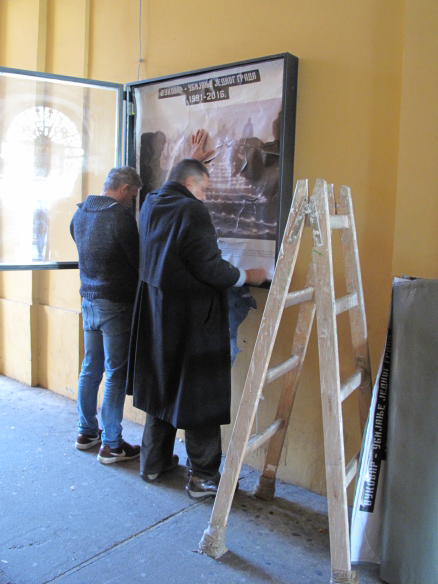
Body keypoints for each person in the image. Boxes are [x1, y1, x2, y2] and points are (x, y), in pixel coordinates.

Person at [125, 158, 266, 499]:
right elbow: (210, 269)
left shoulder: (152, 202)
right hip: (192, 319)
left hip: (157, 316)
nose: (205, 197)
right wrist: (248, 275)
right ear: (189, 184)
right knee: (201, 395)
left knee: (162, 386)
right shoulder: (192, 210)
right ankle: (203, 478)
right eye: (203, 189)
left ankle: (153, 463)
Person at [70, 166, 142, 464]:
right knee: (115, 373)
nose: (132, 202)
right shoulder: (120, 217)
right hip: (115, 304)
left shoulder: (79, 214)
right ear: (124, 189)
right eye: (133, 196)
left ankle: (87, 432)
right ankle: (112, 444)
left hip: (88, 300)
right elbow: (138, 261)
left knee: (90, 367)